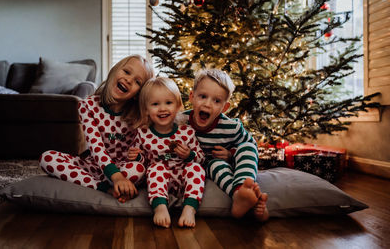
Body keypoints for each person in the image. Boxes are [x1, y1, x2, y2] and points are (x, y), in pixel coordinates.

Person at [39, 55, 154, 203]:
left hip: (124, 168)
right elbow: (96, 147)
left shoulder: (138, 114)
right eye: (126, 72)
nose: (129, 80)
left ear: (138, 94)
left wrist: (138, 157)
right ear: (114, 70)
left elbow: (145, 150)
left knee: (137, 169)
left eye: (137, 81)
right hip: (94, 166)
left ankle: (118, 184)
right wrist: (116, 178)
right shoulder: (88, 106)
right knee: (47, 158)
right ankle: (105, 187)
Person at [182, 69, 269, 221]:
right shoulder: (180, 122)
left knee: (246, 148)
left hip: (226, 163)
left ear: (225, 107)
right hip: (202, 167)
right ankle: (242, 198)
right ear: (192, 97)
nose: (208, 104)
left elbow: (250, 145)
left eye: (216, 101)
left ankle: (243, 190)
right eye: (203, 96)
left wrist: (231, 154)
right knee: (215, 165)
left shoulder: (231, 127)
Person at [128, 77, 205, 228]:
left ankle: (189, 209)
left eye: (168, 103)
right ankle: (160, 207)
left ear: (177, 106)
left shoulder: (186, 132)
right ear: (146, 110)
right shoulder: (143, 134)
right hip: (159, 181)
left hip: (183, 178)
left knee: (196, 169)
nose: (163, 108)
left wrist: (189, 155)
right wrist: (137, 156)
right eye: (155, 104)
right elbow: (142, 162)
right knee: (156, 168)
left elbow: (201, 158)